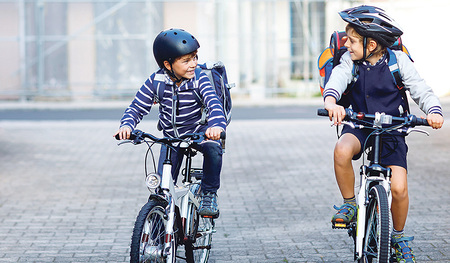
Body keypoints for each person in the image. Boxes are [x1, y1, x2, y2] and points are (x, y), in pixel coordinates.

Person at [323, 6, 444, 263]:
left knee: (399, 188)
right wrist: (332, 101)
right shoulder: (349, 62)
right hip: (359, 122)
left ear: (372, 44)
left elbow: (420, 88)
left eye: (353, 40)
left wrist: (433, 110)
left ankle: (398, 237)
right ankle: (350, 204)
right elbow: (338, 78)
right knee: (342, 150)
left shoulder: (396, 62)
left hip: (392, 128)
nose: (346, 44)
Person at [114, 28, 226, 218]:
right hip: (171, 138)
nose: (193, 64)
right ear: (167, 64)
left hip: (199, 132)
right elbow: (136, 107)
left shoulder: (200, 80)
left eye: (195, 58)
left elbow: (214, 104)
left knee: (214, 149)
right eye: (186, 60)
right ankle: (158, 235)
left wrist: (216, 126)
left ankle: (208, 194)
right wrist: (127, 125)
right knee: (162, 190)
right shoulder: (155, 81)